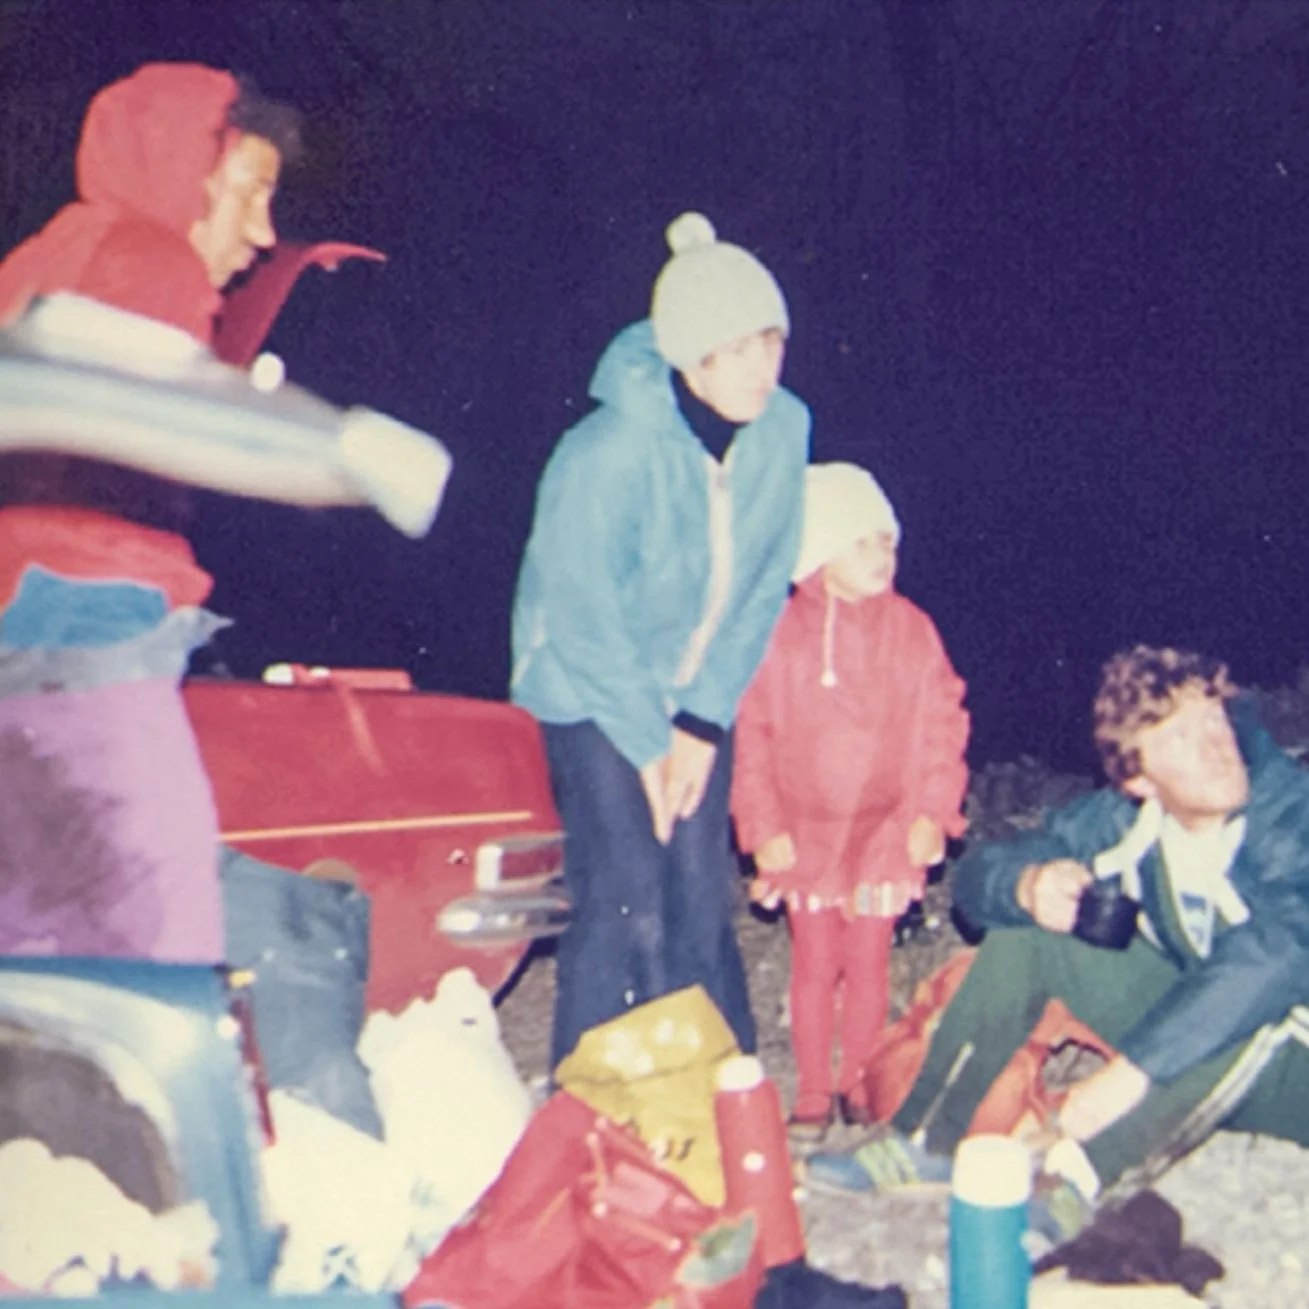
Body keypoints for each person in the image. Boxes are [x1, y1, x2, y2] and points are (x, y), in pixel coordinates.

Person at [805, 646, 1309, 1243]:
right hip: (1203, 1041)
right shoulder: (1122, 821)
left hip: (1294, 1063)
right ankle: (929, 1138)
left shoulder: (1289, 811)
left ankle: (1079, 1178)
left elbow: (1283, 948)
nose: (1216, 746)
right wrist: (1027, 884)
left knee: (1247, 1005)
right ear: (1140, 781)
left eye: (1213, 719)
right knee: (1031, 926)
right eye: (1179, 738)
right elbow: (982, 873)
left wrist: (1130, 1075)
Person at [0, 62, 301, 961]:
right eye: (249, 191)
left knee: (41, 925)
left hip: (23, 624)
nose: (263, 232)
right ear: (184, 170)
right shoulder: (153, 262)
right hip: (89, 624)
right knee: (159, 920)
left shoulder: (45, 259)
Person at [511, 211, 810, 1067]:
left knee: (697, 892)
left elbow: (763, 585)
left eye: (771, 343)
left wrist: (702, 721)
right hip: (585, 686)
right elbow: (580, 612)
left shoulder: (783, 431)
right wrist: (648, 741)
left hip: (692, 691)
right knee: (625, 891)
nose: (761, 367)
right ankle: (592, 1102)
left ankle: (722, 1092)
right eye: (737, 349)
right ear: (690, 357)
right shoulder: (607, 450)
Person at [731, 462, 969, 1140]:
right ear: (819, 550)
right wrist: (762, 825)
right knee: (814, 962)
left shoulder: (911, 631)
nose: (880, 555)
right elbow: (753, 735)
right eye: (860, 541)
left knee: (867, 960)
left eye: (886, 540)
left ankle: (858, 1079)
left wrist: (932, 812)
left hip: (885, 828)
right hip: (807, 830)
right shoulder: (780, 635)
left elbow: (941, 723)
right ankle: (812, 1087)